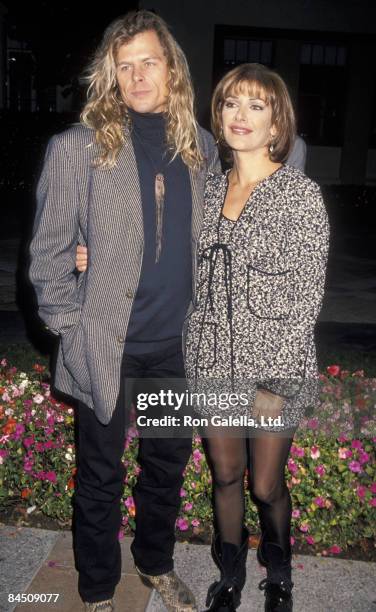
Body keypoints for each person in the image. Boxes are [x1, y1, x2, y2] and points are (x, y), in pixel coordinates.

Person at [29, 10, 219, 612]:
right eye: (124, 66)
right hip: (106, 347)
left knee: (165, 465)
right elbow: (48, 255)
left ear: (173, 69)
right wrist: (71, 327)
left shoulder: (202, 150)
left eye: (149, 62)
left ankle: (156, 563)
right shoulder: (77, 150)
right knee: (100, 479)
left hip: (173, 351)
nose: (137, 76)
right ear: (111, 77)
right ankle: (96, 590)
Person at [183, 63, 329, 611]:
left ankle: (281, 568)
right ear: (218, 116)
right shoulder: (203, 191)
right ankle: (231, 573)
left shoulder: (299, 196)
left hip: (274, 363)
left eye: (256, 105)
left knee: (264, 484)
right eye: (230, 103)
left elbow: (305, 300)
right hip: (211, 360)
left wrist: (274, 383)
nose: (240, 115)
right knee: (225, 474)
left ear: (277, 123)